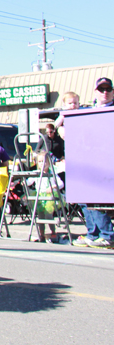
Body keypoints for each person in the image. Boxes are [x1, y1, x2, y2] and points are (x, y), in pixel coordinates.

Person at [72, 79, 114, 249]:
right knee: (84, 197)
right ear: (95, 91)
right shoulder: (87, 111)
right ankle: (93, 234)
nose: (105, 92)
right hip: (88, 161)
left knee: (98, 199)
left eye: (108, 89)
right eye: (101, 89)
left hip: (106, 162)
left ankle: (107, 235)